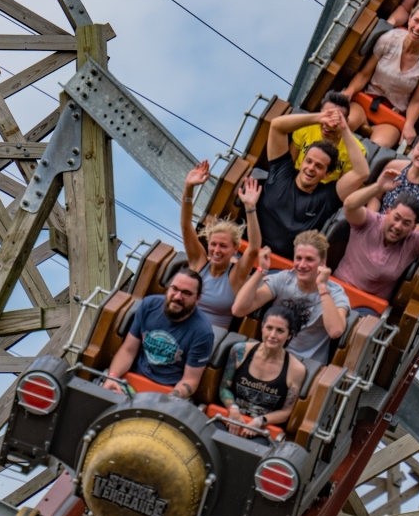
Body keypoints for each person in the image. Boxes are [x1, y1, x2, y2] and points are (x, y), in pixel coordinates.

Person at [257, 103, 371, 260]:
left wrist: (344, 129)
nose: (311, 168)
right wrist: (319, 117)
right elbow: (277, 126)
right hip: (250, 251)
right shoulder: (282, 171)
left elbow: (362, 172)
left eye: (318, 166)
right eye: (309, 161)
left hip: (284, 268)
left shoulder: (328, 196)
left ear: (326, 174)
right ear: (302, 161)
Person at [334, 169, 419, 301]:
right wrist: (377, 187)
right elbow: (349, 206)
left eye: (406, 223)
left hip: (369, 306)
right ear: (388, 213)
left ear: (413, 227)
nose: (398, 226)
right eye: (396, 218)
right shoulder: (370, 221)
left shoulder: (413, 242)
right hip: (337, 290)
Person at [232, 231, 351, 365]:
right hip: (271, 357)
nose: (302, 265)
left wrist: (322, 287)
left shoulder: (335, 293)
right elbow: (238, 310)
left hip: (306, 365)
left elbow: (335, 331)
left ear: (322, 262)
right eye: (298, 258)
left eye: (309, 259)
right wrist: (262, 270)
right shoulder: (283, 279)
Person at [345, 0, 419, 147]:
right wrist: (349, 92)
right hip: (366, 101)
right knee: (346, 124)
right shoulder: (390, 39)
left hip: (392, 115)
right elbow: (364, 74)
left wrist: (409, 124)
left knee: (377, 146)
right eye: (416, 21)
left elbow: (417, 101)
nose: (418, 28)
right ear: (409, 19)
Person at [104, 269, 214, 399]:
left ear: (197, 299)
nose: (178, 297)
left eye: (186, 293)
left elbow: (190, 380)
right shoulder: (149, 305)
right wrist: (112, 377)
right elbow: (128, 350)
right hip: (131, 382)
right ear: (168, 289)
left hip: (166, 393)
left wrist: (165, 401)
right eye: (174, 289)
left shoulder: (202, 332)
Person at [181, 161, 261, 328]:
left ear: (234, 249)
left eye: (223, 246)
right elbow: (186, 225)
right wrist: (189, 188)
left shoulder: (235, 275)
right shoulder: (199, 263)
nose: (216, 250)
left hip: (210, 340)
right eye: (213, 245)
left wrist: (250, 207)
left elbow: (254, 248)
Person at [218, 301, 311, 438]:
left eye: (280, 331)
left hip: (263, 430)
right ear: (262, 327)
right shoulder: (239, 351)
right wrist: (233, 409)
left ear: (289, 334)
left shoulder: (296, 369)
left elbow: (286, 412)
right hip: (231, 417)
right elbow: (224, 388)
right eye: (269, 328)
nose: (272, 335)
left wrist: (260, 421)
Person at [368, 131, 419, 233]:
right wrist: (373, 218)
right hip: (378, 222)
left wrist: (400, 230)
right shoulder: (394, 166)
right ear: (413, 150)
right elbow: (376, 196)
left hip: (406, 234)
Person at [290, 91, 367, 184]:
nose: (329, 124)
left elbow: (343, 186)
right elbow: (289, 165)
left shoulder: (356, 150)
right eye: (327, 115)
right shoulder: (305, 128)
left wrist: (343, 128)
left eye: (336, 119)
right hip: (296, 181)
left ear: (345, 121)